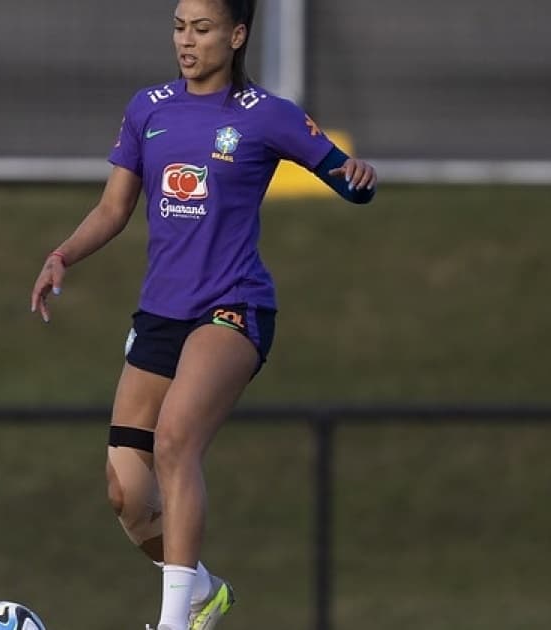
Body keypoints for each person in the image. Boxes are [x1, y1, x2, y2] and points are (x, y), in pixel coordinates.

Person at [28, 1, 376, 629]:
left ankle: (172, 625)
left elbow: (346, 177)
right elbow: (113, 209)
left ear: (237, 35)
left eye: (203, 29)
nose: (187, 42)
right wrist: (62, 255)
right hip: (161, 314)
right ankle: (203, 589)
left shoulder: (266, 115)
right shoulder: (148, 107)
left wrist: (357, 177)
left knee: (175, 442)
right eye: (179, 27)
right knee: (127, 495)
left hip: (234, 308)